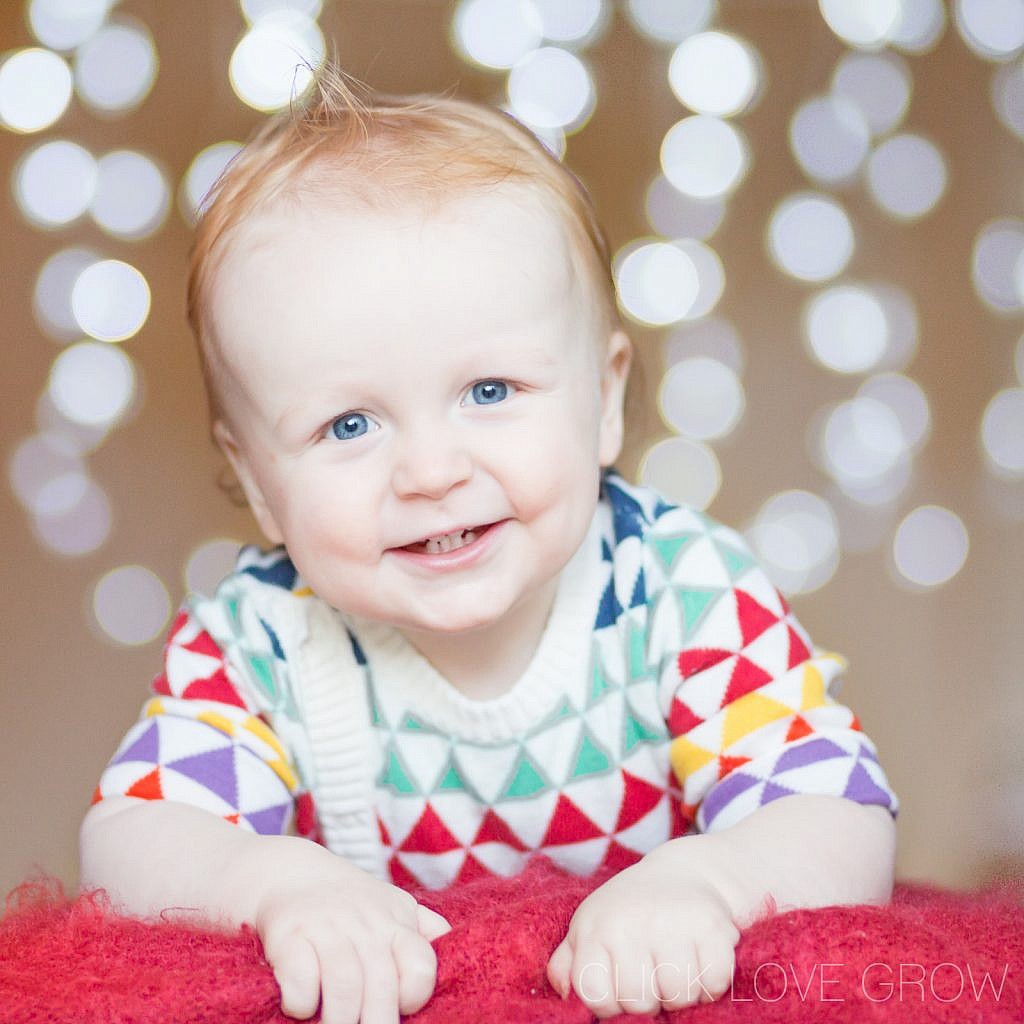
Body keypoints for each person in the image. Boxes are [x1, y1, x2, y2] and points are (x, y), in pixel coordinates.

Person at [79, 63, 898, 1024]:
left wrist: (712, 881)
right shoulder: (264, 640)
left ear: (603, 400)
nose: (430, 471)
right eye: (348, 425)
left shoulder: (679, 587)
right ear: (259, 482)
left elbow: (836, 805)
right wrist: (274, 885)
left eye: (490, 391)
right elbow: (131, 834)